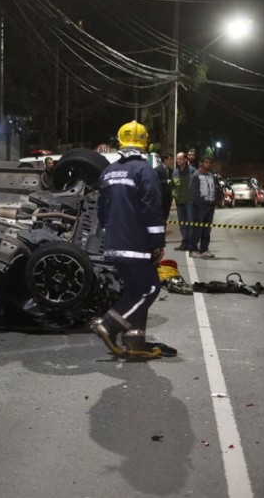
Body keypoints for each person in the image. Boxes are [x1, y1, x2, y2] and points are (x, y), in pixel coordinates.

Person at [91, 121, 168, 359]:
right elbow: (152, 210)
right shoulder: (144, 171)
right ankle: (109, 325)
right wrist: (157, 243)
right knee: (150, 289)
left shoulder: (108, 171)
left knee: (134, 290)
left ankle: (135, 343)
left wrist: (110, 235)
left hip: (114, 243)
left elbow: (101, 211)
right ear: (144, 142)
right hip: (137, 244)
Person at [188, 156, 218, 259]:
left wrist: (214, 202)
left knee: (207, 230)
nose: (208, 164)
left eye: (209, 162)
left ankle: (204, 249)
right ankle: (193, 249)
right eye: (206, 162)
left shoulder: (211, 176)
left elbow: (215, 189)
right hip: (200, 207)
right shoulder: (196, 176)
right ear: (201, 163)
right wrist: (200, 204)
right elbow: (193, 192)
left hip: (210, 206)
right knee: (197, 229)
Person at [171, 151, 196, 252]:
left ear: (185, 160)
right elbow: (172, 186)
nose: (178, 161)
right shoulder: (175, 172)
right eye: (177, 159)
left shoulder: (192, 171)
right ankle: (184, 242)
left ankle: (191, 243)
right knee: (182, 224)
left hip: (189, 202)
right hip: (179, 202)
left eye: (180, 159)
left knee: (190, 223)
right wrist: (174, 194)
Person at [154, 152, 174, 221]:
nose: (172, 161)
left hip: (168, 198)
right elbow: (156, 181)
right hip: (161, 197)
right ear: (165, 160)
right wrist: (166, 181)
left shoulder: (171, 170)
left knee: (166, 216)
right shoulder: (157, 170)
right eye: (170, 159)